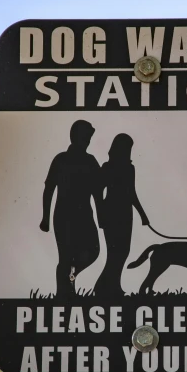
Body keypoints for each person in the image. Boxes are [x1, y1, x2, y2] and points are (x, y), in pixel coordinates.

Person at [40, 120, 103, 297]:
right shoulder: (61, 160)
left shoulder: (90, 161)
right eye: (86, 137)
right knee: (65, 257)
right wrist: (45, 218)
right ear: (77, 137)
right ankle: (64, 295)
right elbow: (49, 188)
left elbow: (97, 191)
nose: (88, 141)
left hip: (84, 215)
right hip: (64, 216)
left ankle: (69, 279)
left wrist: (101, 217)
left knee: (93, 250)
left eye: (89, 138)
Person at [94, 133, 149, 297]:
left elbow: (132, 193)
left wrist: (142, 214)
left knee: (123, 251)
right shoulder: (107, 167)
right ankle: (103, 287)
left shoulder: (129, 168)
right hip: (111, 211)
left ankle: (113, 286)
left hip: (126, 212)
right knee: (114, 252)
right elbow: (97, 191)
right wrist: (100, 215)